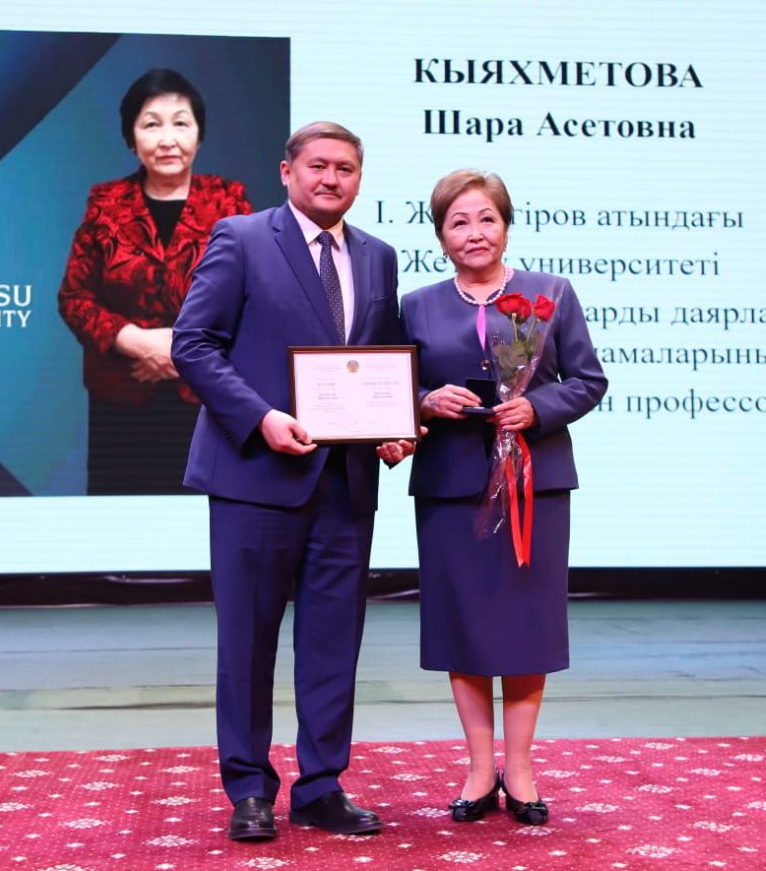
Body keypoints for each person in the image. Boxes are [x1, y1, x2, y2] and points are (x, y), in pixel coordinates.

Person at [172, 121, 413, 842]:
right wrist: (260, 418)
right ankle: (248, 789)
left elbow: (379, 359)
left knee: (334, 642)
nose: (331, 179)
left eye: (346, 168)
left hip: (345, 483)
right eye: (318, 166)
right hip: (255, 475)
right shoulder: (241, 238)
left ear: (359, 179)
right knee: (247, 643)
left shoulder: (378, 257)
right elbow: (193, 343)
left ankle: (322, 786)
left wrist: (395, 423)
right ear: (287, 172)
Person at [400, 170, 606, 823]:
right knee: (462, 624)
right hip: (451, 485)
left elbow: (588, 380)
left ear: (507, 225)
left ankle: (520, 768)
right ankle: (478, 768)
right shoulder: (416, 305)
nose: (474, 232)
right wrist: (424, 400)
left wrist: (537, 409)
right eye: (458, 222)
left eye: (486, 218)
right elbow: (388, 387)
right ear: (441, 236)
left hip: (534, 485)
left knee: (524, 625)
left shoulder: (551, 293)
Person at [58, 68, 250, 494]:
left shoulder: (228, 201)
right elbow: (74, 297)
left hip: (209, 397)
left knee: (206, 519)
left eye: (180, 123)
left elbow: (252, 298)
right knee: (123, 517)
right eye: (151, 124)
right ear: (131, 138)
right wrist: (138, 342)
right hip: (122, 397)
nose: (167, 139)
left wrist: (182, 353)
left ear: (199, 134)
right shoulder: (105, 203)